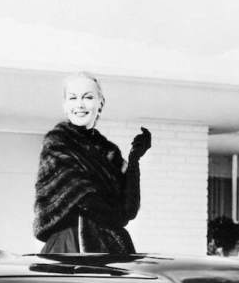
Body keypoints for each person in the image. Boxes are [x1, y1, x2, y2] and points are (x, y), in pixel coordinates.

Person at [33, 72, 152, 253]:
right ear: (65, 105)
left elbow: (128, 210)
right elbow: (83, 197)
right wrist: (116, 217)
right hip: (69, 247)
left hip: (110, 246)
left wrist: (134, 159)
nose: (80, 104)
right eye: (73, 98)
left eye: (88, 97)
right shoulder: (57, 142)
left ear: (100, 103)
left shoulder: (109, 151)